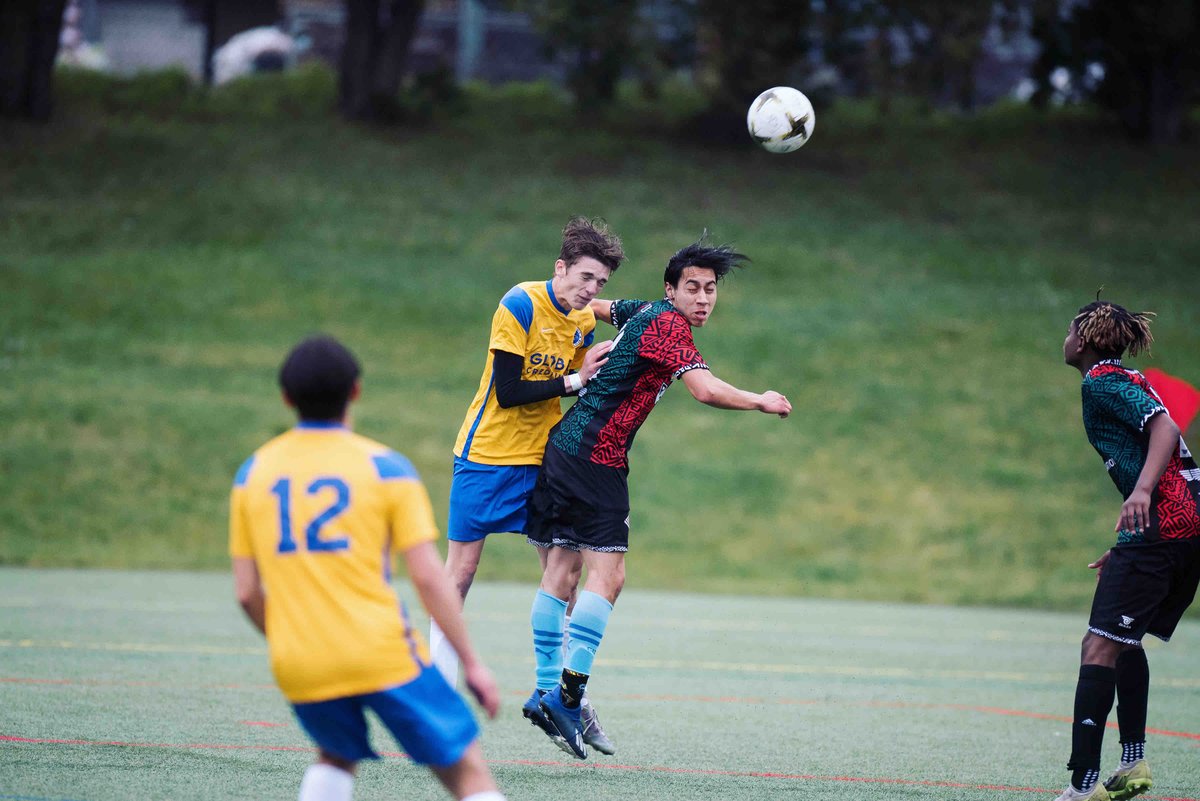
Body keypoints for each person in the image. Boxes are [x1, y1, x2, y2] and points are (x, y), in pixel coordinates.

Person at [521, 239, 793, 759]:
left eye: (710, 289)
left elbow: (595, 306)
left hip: (564, 447)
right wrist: (759, 400)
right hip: (596, 457)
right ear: (671, 290)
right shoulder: (668, 325)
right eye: (692, 287)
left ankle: (545, 690)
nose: (702, 298)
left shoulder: (644, 310)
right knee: (609, 577)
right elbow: (705, 390)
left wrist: (561, 298)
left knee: (561, 571)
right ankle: (568, 699)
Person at [229, 335, 505, 801]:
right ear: (355, 391)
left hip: (301, 659)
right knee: (467, 771)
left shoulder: (252, 474)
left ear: (287, 398)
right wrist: (473, 663)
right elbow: (428, 578)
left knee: (335, 754)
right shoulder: (386, 469)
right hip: (378, 651)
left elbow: (246, 592)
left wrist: (293, 640)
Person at [429, 216, 624, 754]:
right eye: (584, 276)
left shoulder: (583, 322)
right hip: (486, 456)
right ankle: (436, 690)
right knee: (461, 571)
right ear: (560, 267)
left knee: (564, 573)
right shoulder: (518, 303)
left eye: (600, 282)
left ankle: (565, 699)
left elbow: (572, 387)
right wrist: (578, 379)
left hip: (543, 462)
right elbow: (510, 391)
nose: (591, 289)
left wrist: (594, 374)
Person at [1054, 300, 1200, 801]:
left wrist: (1140, 494)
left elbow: (1167, 428)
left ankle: (1082, 786)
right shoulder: (1128, 378)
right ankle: (1133, 762)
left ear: (1085, 340)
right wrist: (1128, 543)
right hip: (1180, 529)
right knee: (1125, 641)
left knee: (1097, 647)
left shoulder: (1101, 381)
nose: (1065, 339)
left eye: (1070, 331)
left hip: (1163, 530)